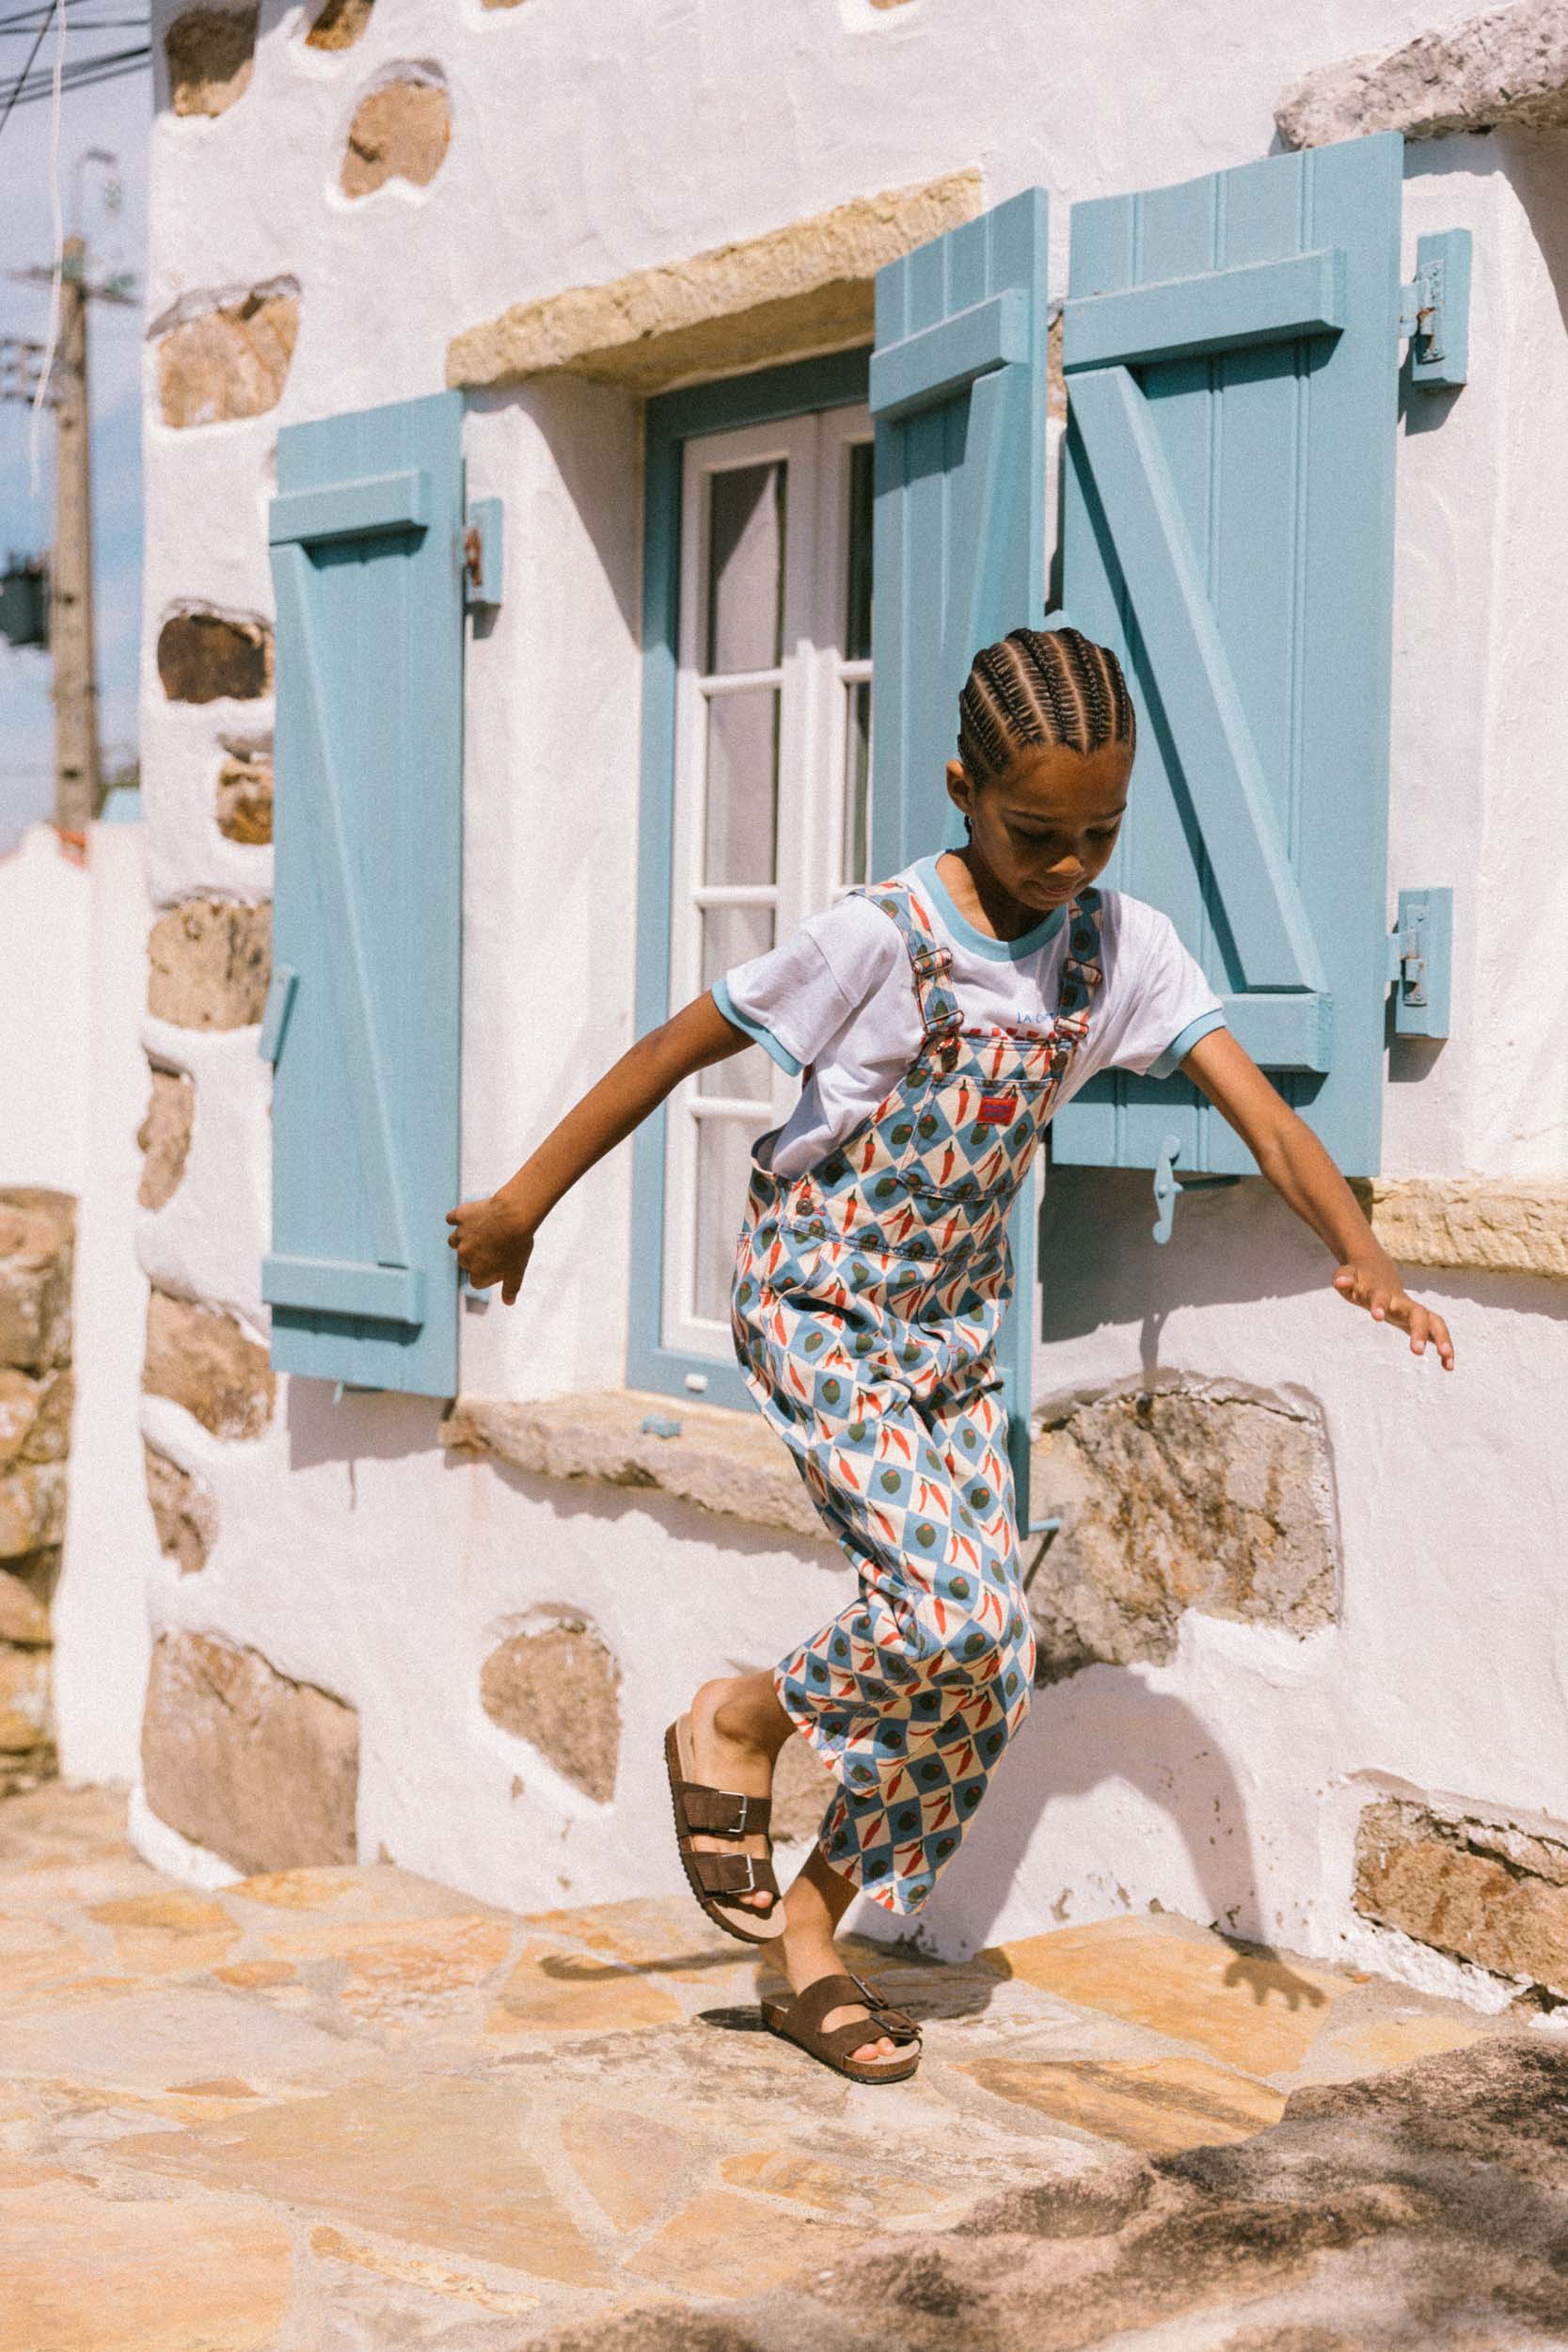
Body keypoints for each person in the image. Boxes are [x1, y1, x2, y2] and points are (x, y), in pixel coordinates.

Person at [448, 625, 1455, 2088]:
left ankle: (808, 1939)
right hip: (817, 1302)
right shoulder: (876, 938)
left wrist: (1358, 1249)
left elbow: (1267, 1118)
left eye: (1100, 832)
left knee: (986, 1670)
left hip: (952, 1334)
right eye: (1036, 833)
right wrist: (523, 1206)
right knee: (944, 1607)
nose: (1068, 864)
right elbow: (677, 1047)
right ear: (961, 790)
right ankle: (738, 1719)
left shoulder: (1121, 948)